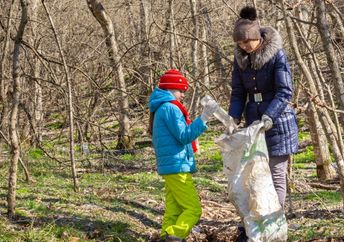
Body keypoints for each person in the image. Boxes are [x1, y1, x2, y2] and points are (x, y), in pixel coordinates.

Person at [228, 6, 298, 241]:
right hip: (253, 125)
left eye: (248, 42)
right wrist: (233, 118)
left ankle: (272, 226)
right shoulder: (239, 61)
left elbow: (285, 90)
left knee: (276, 175)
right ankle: (254, 224)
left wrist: (270, 116)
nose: (245, 47)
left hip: (279, 123)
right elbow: (238, 93)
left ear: (259, 38)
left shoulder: (277, 55)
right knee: (254, 176)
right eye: (241, 43)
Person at [148, 69, 218, 242]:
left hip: (170, 165)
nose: (182, 96)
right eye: (181, 91)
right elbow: (185, 135)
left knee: (174, 209)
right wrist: (204, 118)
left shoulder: (161, 107)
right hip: (176, 165)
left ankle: (164, 236)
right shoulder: (170, 108)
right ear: (172, 89)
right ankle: (175, 236)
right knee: (193, 209)